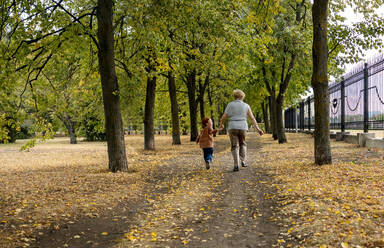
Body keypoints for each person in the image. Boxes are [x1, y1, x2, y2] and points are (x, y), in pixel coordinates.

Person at [219, 89, 263, 172]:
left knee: (234, 145)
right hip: (243, 126)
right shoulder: (246, 106)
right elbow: (252, 118)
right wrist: (258, 129)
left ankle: (236, 164)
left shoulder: (230, 105)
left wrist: (221, 124)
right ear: (242, 96)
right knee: (242, 143)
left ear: (234, 96)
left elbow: (223, 117)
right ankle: (243, 161)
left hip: (232, 126)